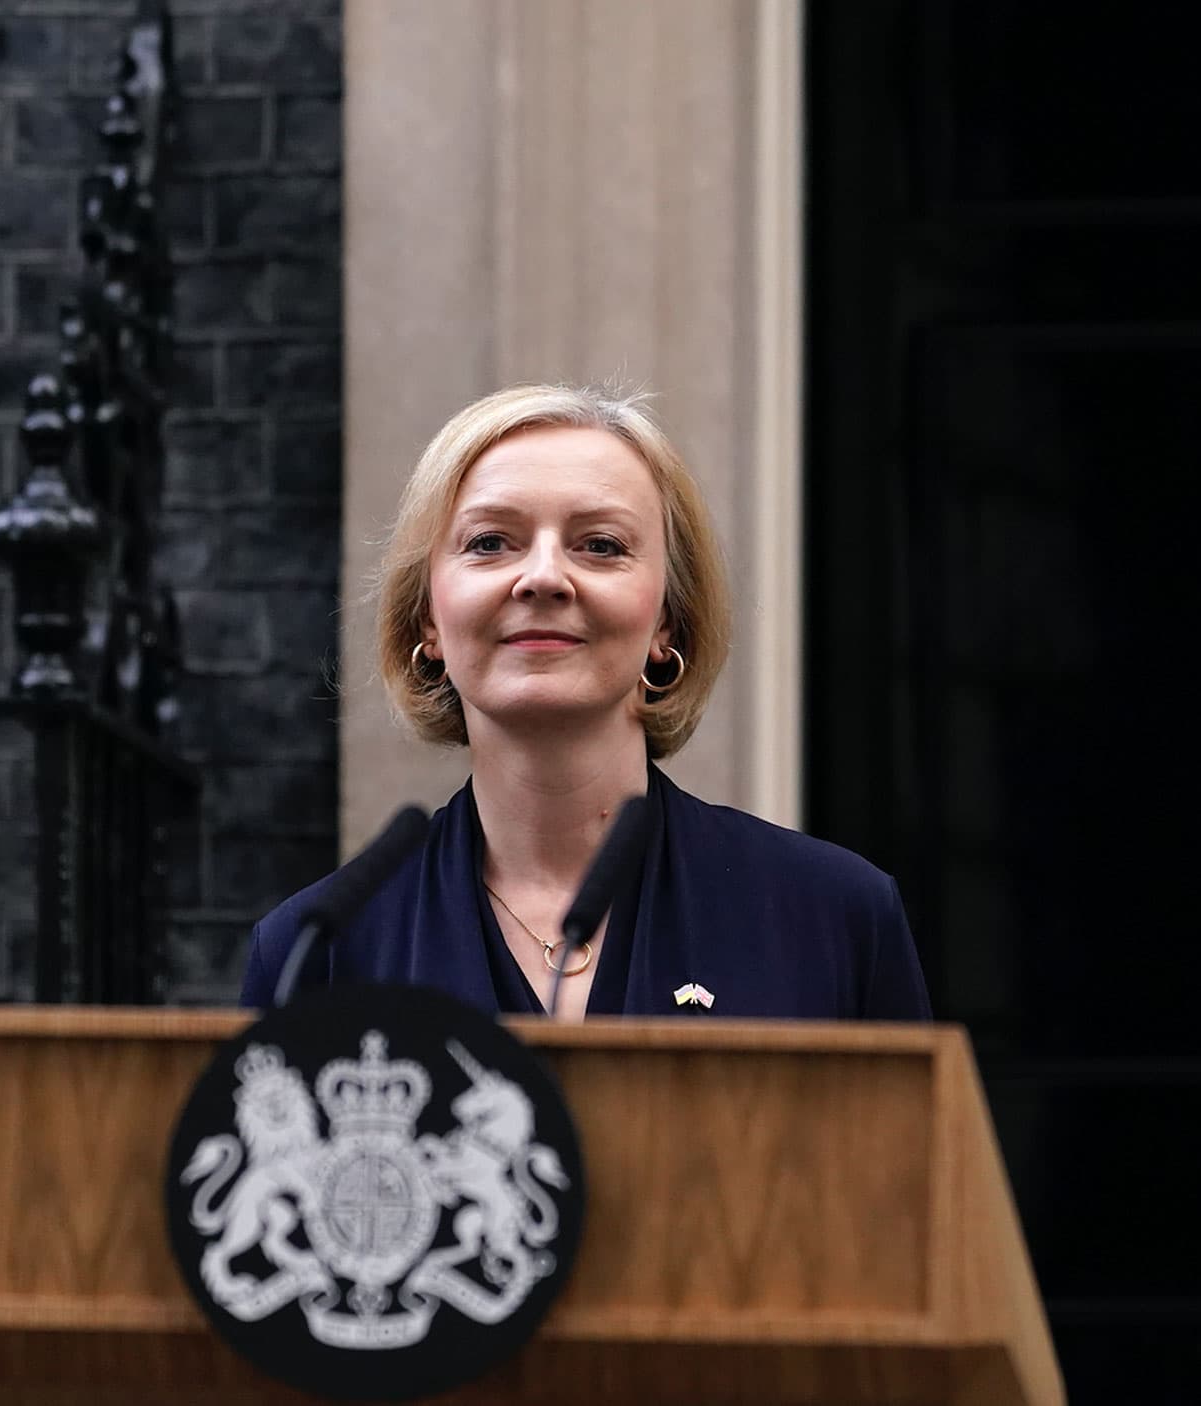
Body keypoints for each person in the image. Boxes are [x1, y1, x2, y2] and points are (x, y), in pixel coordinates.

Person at [240, 384, 931, 1021]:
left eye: (600, 545)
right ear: (427, 622)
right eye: (489, 543)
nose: (543, 577)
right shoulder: (317, 952)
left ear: (668, 621)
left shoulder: (835, 917)